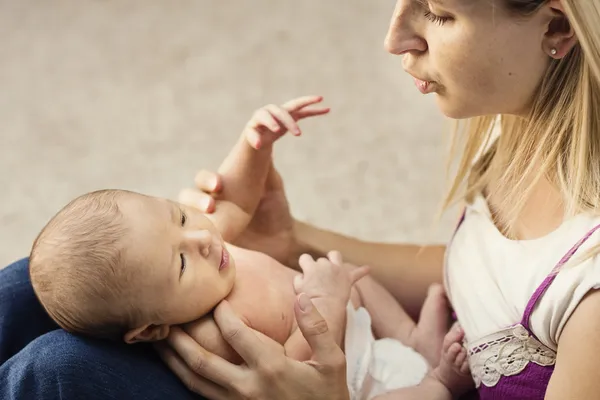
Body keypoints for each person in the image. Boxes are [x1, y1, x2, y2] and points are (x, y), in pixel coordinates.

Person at [2, 0, 599, 399]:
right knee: (65, 271)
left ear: (554, 27)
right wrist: (293, 241)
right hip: (384, 351)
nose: (393, 38)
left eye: (438, 13)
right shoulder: (527, 114)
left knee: (55, 368)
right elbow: (491, 274)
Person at [27, 96, 472, 400]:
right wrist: (326, 303)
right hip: (364, 380)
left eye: (177, 217)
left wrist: (254, 143)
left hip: (362, 327)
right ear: (149, 330)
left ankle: (411, 338)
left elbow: (236, 200)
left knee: (358, 278)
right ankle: (439, 380)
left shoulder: (210, 249)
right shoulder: (210, 330)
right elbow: (288, 369)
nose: (201, 240)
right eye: (180, 263)